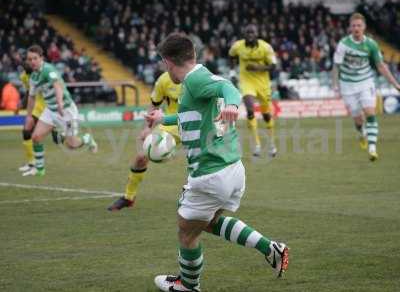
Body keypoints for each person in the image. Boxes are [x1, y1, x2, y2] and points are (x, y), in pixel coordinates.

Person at [147, 33, 289, 292]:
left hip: (210, 174)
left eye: (163, 63)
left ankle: (188, 285)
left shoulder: (196, 79)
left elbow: (228, 87)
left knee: (186, 232)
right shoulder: (194, 84)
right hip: (231, 169)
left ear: (168, 62)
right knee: (208, 222)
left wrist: (234, 105)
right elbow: (189, 117)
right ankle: (271, 248)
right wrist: (162, 120)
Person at [107, 71, 182, 211]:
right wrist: (148, 128)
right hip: (171, 124)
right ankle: (128, 197)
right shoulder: (164, 79)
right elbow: (154, 105)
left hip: (197, 124)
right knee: (142, 156)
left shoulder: (197, 76)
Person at [332, 13, 400, 161]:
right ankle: (361, 133)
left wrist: (395, 84)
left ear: (364, 27)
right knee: (358, 119)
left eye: (359, 25)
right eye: (354, 25)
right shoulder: (344, 44)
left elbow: (381, 66)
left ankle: (372, 148)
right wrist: (335, 86)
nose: (356, 28)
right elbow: (336, 66)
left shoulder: (371, 45)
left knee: (370, 113)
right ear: (350, 27)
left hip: (365, 82)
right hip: (347, 85)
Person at [24, 45, 98, 176]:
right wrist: (29, 116)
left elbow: (57, 85)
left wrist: (60, 103)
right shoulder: (33, 77)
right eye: (30, 59)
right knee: (36, 137)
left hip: (66, 110)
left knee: (72, 144)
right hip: (51, 111)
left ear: (41, 58)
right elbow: (31, 96)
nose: (32, 62)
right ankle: (39, 169)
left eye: (35, 58)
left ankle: (87, 139)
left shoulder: (48, 70)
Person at [229, 24, 278, 157]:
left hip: (263, 84)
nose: (250, 35)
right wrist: (233, 71)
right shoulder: (238, 46)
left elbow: (273, 66)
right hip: (247, 82)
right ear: (244, 34)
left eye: (252, 32)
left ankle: (272, 144)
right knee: (250, 110)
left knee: (266, 115)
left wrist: (258, 67)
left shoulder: (265, 47)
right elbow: (231, 56)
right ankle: (256, 145)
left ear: (257, 34)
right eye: (248, 33)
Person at [18, 61, 61, 174]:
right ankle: (32, 163)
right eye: (26, 62)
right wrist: (22, 102)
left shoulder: (41, 72)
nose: (28, 64)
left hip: (47, 106)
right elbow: (29, 92)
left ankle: (56, 128)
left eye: (30, 61)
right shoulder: (23, 76)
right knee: (27, 132)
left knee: (58, 141)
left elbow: (55, 85)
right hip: (36, 108)